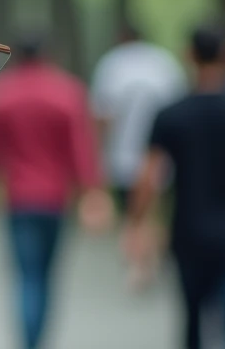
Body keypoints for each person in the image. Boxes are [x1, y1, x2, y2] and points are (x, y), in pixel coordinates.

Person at [126, 27, 225, 349]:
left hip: (189, 232)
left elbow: (148, 177)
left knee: (193, 325)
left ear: (190, 56)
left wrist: (138, 224)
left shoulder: (171, 113)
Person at [0, 36, 111, 349]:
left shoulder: (4, 93)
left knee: (27, 276)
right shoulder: (68, 92)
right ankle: (39, 340)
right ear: (49, 54)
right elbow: (82, 149)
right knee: (47, 276)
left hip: (18, 199)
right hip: (56, 199)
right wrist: (93, 193)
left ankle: (28, 342)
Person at [90, 24, 185, 288]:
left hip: (123, 153)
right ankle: (149, 258)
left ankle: (138, 263)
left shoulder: (112, 64)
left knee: (132, 211)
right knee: (154, 209)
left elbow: (103, 115)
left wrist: (98, 151)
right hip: (162, 154)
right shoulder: (164, 63)